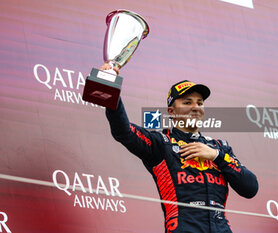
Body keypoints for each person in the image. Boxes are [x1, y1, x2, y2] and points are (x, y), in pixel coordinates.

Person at [103, 64, 258, 233]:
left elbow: (250, 188)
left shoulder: (220, 148)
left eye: (200, 103)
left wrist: (216, 156)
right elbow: (123, 131)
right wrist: (111, 87)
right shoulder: (160, 143)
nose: (196, 107)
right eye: (187, 102)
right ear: (171, 111)